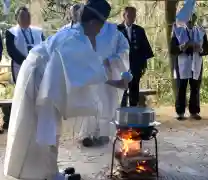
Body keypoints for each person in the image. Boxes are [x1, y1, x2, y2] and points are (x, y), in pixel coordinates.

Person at [4, 1, 130, 180]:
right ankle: (43, 175)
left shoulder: (75, 33)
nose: (100, 32)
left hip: (44, 79)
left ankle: (49, 172)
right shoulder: (75, 39)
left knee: (48, 128)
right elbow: (89, 75)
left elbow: (86, 72)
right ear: (94, 23)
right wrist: (118, 83)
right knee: (42, 131)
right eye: (100, 27)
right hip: (40, 81)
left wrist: (117, 81)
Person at [170, 13, 208, 121]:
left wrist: (200, 49)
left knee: (195, 87)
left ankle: (194, 111)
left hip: (196, 62)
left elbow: (206, 50)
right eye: (188, 19)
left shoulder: (201, 32)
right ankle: (180, 112)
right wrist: (183, 46)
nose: (190, 21)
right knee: (181, 87)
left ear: (195, 20)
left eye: (193, 19)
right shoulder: (178, 32)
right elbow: (172, 50)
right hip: (182, 63)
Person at [118, 6, 154, 107]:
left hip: (135, 65)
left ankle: (133, 112)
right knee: (122, 91)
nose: (132, 17)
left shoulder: (139, 30)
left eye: (134, 15)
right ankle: (122, 114)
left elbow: (144, 49)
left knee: (134, 89)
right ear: (124, 15)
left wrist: (144, 65)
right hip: (121, 65)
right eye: (129, 15)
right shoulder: (117, 30)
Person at [5, 6, 45, 83]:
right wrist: (26, 62)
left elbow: (44, 47)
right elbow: (11, 50)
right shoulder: (11, 32)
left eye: (28, 15)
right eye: (23, 16)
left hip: (37, 66)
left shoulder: (38, 31)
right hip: (20, 66)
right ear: (17, 18)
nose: (27, 18)